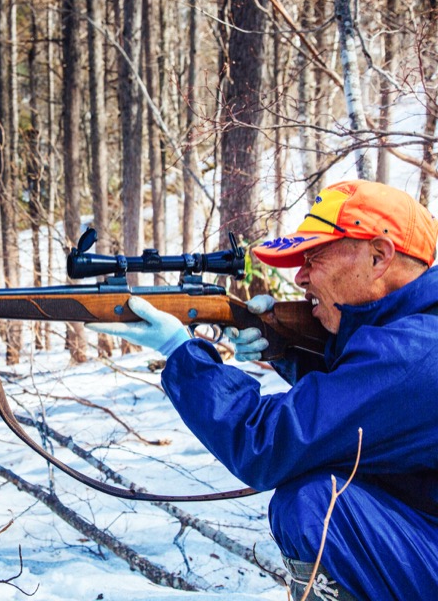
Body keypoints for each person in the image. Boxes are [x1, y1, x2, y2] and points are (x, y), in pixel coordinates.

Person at [87, 179, 438, 600]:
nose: (301, 276)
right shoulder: (413, 332)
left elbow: (263, 443)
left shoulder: (410, 352)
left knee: (313, 506)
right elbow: (371, 410)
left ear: (379, 256)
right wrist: (287, 349)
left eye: (314, 257)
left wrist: (181, 353)